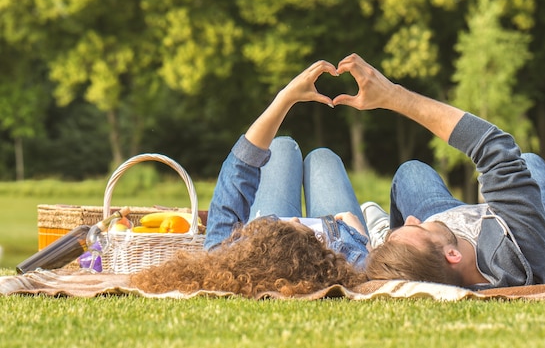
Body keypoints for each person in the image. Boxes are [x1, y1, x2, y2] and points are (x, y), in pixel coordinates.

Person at [332, 53, 545, 289]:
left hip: (455, 233)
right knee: (530, 161)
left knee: (410, 172)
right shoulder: (522, 248)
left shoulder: (442, 266)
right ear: (452, 255)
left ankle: (391, 239)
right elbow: (494, 146)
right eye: (419, 228)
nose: (411, 218)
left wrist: (372, 246)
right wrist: (393, 96)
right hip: (529, 236)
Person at [130, 60, 370, 297]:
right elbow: (383, 267)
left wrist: (286, 98)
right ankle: (372, 215)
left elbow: (240, 167)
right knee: (322, 157)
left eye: (281, 228)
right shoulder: (355, 264)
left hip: (293, 240)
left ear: (254, 252)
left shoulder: (224, 255)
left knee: (283, 146)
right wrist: (363, 240)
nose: (296, 218)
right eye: (296, 229)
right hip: (342, 230)